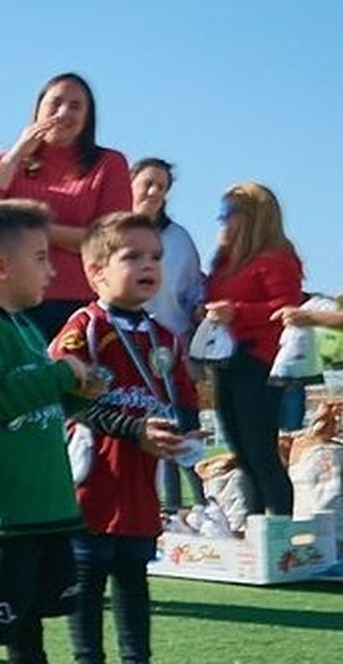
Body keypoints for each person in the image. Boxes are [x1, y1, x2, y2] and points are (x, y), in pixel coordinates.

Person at [0, 199, 108, 664]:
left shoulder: (27, 327)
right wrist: (61, 375)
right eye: (40, 258)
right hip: (3, 516)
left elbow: (37, 401)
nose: (51, 271)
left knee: (28, 625)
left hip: (45, 509)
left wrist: (79, 394)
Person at [51, 213, 195, 664]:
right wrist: (135, 429)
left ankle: (137, 658)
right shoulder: (85, 328)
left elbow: (183, 401)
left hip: (139, 487)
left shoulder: (166, 336)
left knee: (134, 577)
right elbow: (68, 401)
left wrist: (186, 434)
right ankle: (87, 658)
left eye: (155, 256)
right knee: (87, 580)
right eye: (132, 256)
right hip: (93, 480)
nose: (148, 265)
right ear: (96, 271)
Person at [0, 74, 132, 340]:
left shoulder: (109, 163)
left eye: (75, 106)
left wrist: (29, 231)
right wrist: (17, 154)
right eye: (55, 103)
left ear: (88, 117)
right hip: (12, 302)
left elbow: (110, 239)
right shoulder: (6, 163)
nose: (63, 113)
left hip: (80, 304)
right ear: (38, 110)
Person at [203, 183, 303, 516]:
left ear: (253, 217)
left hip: (258, 362)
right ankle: (258, 525)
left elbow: (288, 308)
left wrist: (238, 311)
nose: (221, 221)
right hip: (226, 361)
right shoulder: (226, 260)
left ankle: (280, 530)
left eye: (228, 213)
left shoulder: (276, 258)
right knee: (241, 451)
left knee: (261, 452)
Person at [130, 157, 208, 512]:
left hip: (171, 346)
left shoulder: (179, 239)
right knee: (144, 428)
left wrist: (198, 320)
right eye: (147, 183)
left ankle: (201, 509)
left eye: (161, 187)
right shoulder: (111, 233)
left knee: (183, 425)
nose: (153, 192)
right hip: (125, 345)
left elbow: (194, 290)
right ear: (130, 183)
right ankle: (163, 510)